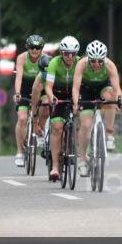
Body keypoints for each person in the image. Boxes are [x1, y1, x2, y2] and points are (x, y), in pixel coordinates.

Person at [71, 40, 121, 177]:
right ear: (88, 58)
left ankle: (109, 134)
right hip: (85, 90)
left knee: (111, 97)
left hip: (103, 87)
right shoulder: (81, 64)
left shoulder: (110, 65)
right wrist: (76, 104)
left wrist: (118, 101)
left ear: (104, 59)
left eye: (100, 61)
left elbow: (117, 88)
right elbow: (75, 88)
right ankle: (82, 160)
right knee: (86, 125)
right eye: (93, 61)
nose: (97, 64)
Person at [43, 35, 80, 182]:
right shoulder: (54, 63)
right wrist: (51, 97)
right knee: (57, 127)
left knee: (84, 119)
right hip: (58, 94)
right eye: (66, 53)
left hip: (74, 94)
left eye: (73, 54)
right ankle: (55, 167)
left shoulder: (79, 63)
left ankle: (79, 149)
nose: (70, 57)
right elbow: (48, 86)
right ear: (61, 53)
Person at [12, 34, 47, 167]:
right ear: (27, 48)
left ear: (41, 49)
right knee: (22, 118)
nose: (35, 50)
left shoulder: (45, 59)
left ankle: (39, 130)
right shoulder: (22, 58)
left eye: (38, 48)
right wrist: (17, 93)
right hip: (25, 88)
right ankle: (20, 152)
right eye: (32, 47)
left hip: (41, 87)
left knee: (46, 106)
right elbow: (19, 77)